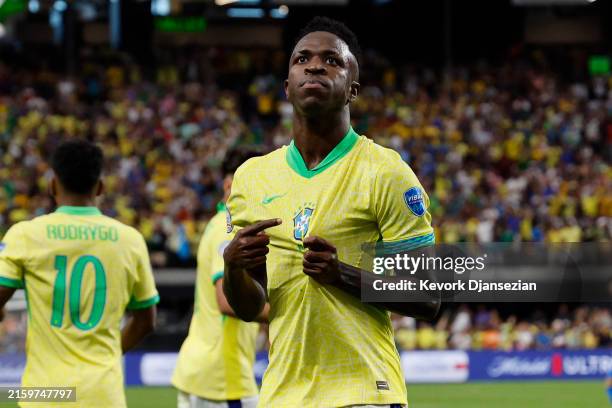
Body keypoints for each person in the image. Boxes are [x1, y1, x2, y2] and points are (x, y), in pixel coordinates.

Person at [223, 17, 439, 408]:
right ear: (287, 87)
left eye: (332, 60)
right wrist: (234, 267)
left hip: (364, 392)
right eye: (302, 58)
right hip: (282, 395)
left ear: (352, 90)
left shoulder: (385, 171)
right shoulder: (251, 178)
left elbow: (428, 297)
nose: (315, 65)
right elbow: (250, 306)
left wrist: (343, 274)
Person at [0, 140, 158, 408]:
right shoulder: (129, 240)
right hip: (103, 394)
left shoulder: (26, 235)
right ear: (100, 187)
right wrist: (109, 355)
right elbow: (146, 321)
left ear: (52, 185)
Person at [172, 147, 268, 408]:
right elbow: (226, 302)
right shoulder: (229, 229)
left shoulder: (219, 225)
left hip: (206, 373)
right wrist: (291, 312)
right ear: (229, 185)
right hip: (221, 378)